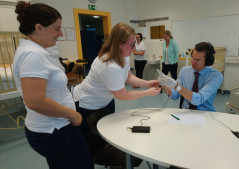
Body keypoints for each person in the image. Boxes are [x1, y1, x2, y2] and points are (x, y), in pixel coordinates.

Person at [13, 2, 94, 169]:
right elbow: (35, 101)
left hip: (53, 128)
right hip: (54, 130)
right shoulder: (32, 55)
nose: (60, 33)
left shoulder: (38, 50)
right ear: (39, 28)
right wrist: (73, 115)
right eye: (57, 29)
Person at [72, 23, 161, 143]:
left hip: (106, 101)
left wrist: (147, 83)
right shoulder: (109, 65)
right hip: (88, 104)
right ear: (120, 44)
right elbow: (122, 95)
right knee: (92, 143)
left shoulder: (124, 55)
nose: (134, 48)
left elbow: (127, 77)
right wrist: (147, 92)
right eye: (132, 44)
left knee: (107, 135)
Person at [159, 42, 223, 111]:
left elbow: (198, 99)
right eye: (192, 57)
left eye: (197, 60)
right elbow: (174, 95)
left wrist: (176, 85)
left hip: (205, 113)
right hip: (186, 112)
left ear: (207, 61)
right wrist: (164, 84)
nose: (192, 61)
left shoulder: (216, 76)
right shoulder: (184, 71)